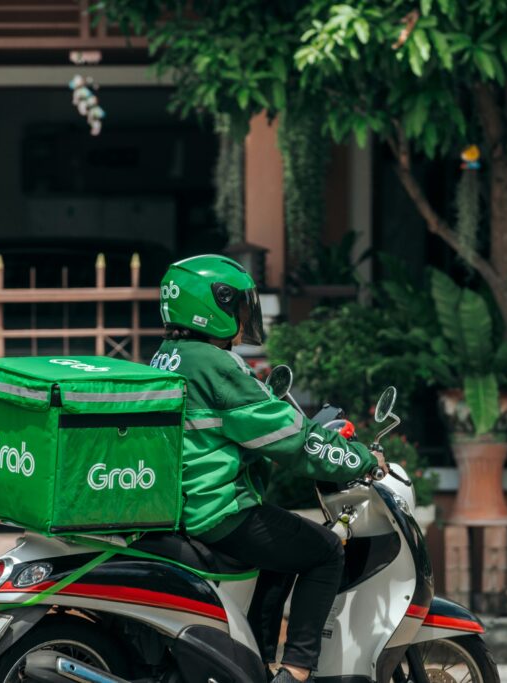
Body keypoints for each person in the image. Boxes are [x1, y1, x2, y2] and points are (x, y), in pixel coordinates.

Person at [150, 255, 387, 683]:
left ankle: (253, 665)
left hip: (180, 508)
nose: (243, 319)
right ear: (213, 304)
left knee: (280, 554)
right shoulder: (216, 365)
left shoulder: (168, 356)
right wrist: (362, 460)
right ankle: (295, 671)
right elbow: (291, 439)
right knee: (325, 551)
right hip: (218, 511)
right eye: (238, 306)